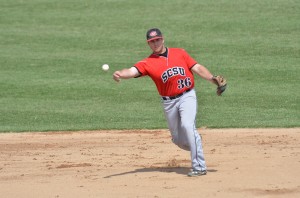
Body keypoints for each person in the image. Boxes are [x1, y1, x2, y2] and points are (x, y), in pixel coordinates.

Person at [113, 28, 226, 177]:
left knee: (187, 125)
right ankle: (195, 140)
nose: (155, 43)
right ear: (148, 44)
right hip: (169, 103)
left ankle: (199, 166)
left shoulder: (180, 53)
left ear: (163, 39)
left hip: (187, 96)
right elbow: (132, 71)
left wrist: (212, 79)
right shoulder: (147, 63)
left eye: (157, 40)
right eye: (151, 42)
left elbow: (197, 68)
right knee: (178, 140)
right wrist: (120, 73)